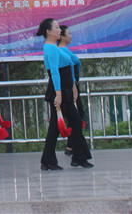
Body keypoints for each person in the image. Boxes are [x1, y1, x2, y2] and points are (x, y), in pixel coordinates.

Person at [38, 18, 93, 170]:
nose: (59, 30)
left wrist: (73, 87)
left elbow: (68, 69)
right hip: (60, 91)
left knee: (73, 123)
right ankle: (53, 160)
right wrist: (59, 94)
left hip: (65, 91)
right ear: (49, 31)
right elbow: (54, 72)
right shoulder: (51, 48)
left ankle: (75, 158)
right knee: (61, 126)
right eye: (56, 27)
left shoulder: (53, 48)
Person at [59, 24, 84, 158]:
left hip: (72, 86)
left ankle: (72, 146)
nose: (71, 36)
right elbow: (69, 70)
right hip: (70, 87)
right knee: (76, 116)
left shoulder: (63, 50)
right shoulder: (61, 51)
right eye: (68, 33)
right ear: (62, 36)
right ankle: (73, 147)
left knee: (76, 116)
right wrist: (74, 86)